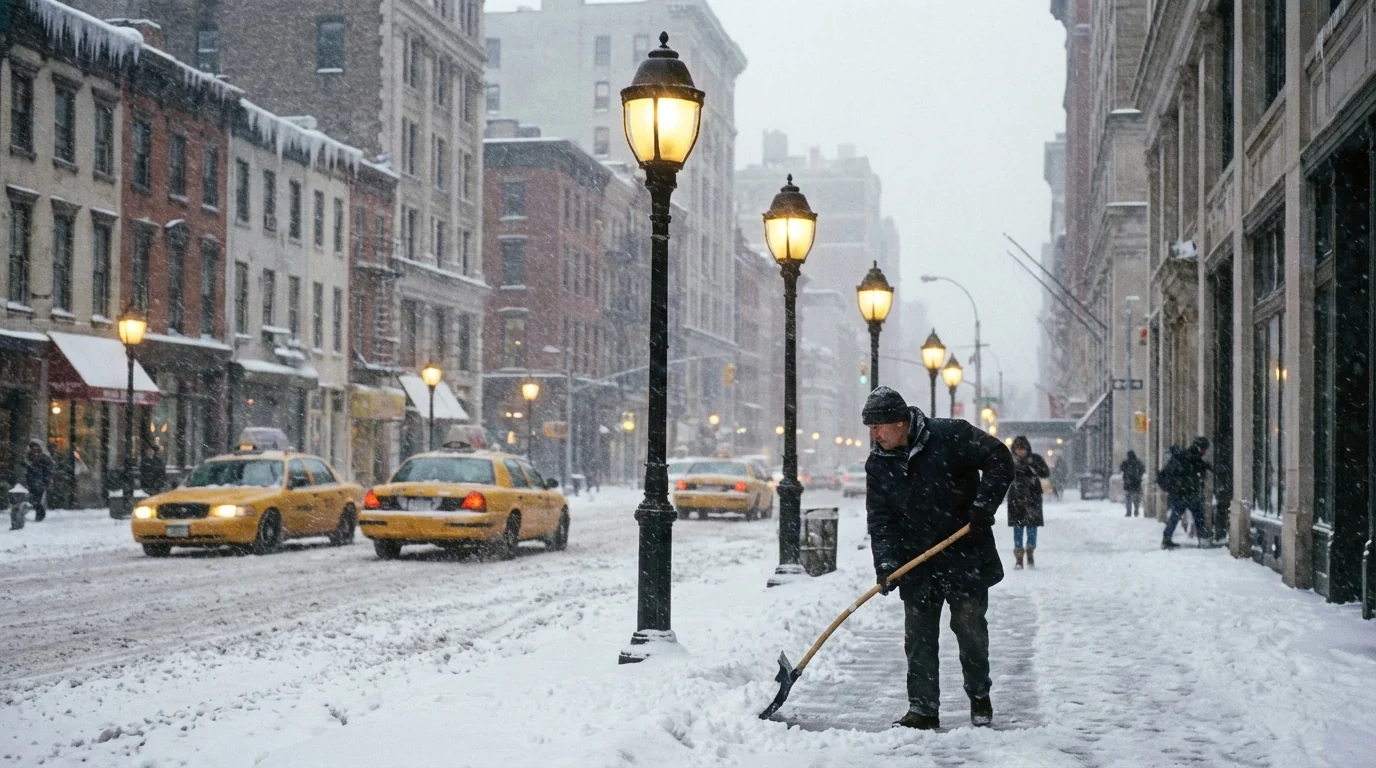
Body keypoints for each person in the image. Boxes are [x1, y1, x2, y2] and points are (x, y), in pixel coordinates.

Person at [862, 386, 1014, 731]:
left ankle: (979, 694)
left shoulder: (952, 436)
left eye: (878, 426)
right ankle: (923, 708)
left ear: (901, 422)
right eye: (869, 428)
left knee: (970, 631)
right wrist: (886, 563)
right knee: (918, 639)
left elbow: (999, 459)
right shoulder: (878, 464)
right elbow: (881, 519)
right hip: (916, 563)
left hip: (964, 556)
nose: (874, 435)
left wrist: (982, 507)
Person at [1157, 436, 1211, 550]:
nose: (1204, 452)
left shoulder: (1184, 456)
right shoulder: (1191, 457)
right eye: (1203, 450)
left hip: (1182, 494)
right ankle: (1202, 539)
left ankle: (1166, 539)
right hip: (1189, 493)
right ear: (1199, 447)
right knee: (1198, 517)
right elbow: (1192, 471)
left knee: (1175, 517)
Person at [1006, 436, 1049, 570]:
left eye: (1023, 449)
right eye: (1018, 449)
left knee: (1032, 529)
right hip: (1016, 500)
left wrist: (1033, 467)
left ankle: (1030, 553)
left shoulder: (1035, 460)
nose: (1021, 452)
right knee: (1017, 530)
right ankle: (1019, 558)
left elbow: (1045, 473)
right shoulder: (1008, 461)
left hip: (1032, 499)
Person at [25, 439, 54, 522]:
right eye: (32, 447)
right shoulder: (29, 456)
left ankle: (40, 515)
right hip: (31, 481)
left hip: (39, 482)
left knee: (36, 500)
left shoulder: (44, 458)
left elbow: (48, 471)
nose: (34, 449)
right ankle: (40, 514)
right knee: (33, 500)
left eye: (35, 446)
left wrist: (46, 481)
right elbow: (28, 467)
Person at [1120, 450, 1145, 517]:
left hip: (1128, 483)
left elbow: (1121, 468)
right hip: (1136, 483)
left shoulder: (1126, 463)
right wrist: (1138, 477)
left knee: (1128, 498)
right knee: (1136, 498)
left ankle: (1129, 512)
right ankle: (1136, 510)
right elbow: (1143, 470)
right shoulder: (1138, 462)